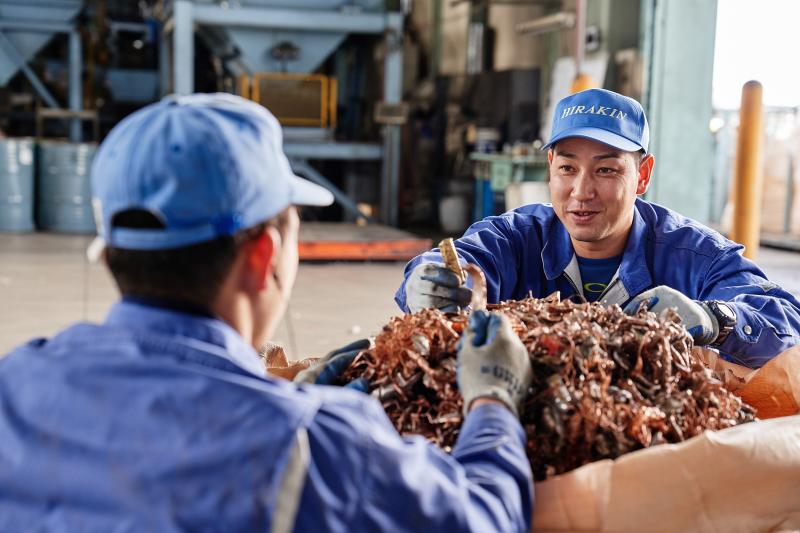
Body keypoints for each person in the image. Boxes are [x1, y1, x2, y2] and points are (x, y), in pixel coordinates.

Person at [0, 94, 535, 531]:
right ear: (264, 256)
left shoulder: (16, 384)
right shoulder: (310, 449)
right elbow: (485, 519)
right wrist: (493, 399)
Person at [398, 88, 800, 369]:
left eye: (606, 170)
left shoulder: (694, 254)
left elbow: (786, 319)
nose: (581, 191)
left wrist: (716, 319)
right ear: (550, 167)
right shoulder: (516, 238)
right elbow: (461, 261)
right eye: (567, 168)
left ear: (643, 175)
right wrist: (432, 279)